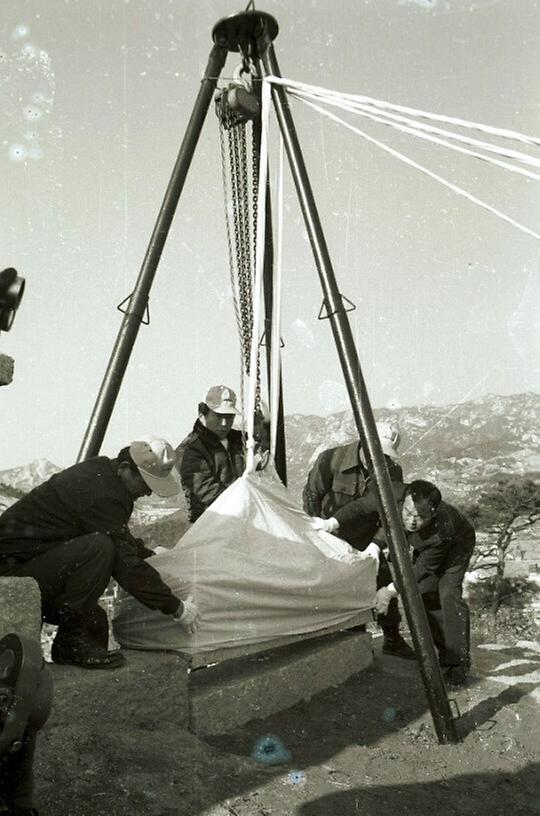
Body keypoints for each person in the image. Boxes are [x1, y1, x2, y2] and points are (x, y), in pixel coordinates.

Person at [0, 436, 201, 670]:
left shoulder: (104, 475)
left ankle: (72, 654)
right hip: (11, 571)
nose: (147, 493)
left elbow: (118, 535)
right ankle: (69, 645)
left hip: (32, 564)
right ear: (125, 469)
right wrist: (176, 608)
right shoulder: (101, 492)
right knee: (99, 548)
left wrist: (149, 554)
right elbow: (123, 561)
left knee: (94, 621)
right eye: (145, 485)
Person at [303, 422, 415, 660]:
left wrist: (377, 544)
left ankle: (392, 638)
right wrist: (318, 532)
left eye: (386, 454)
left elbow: (392, 514)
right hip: (330, 535)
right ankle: (351, 641)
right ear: (363, 442)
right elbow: (312, 496)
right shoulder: (332, 459)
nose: (379, 459)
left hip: (366, 538)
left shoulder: (392, 471)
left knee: (382, 580)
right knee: (333, 589)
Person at [374, 480, 476, 687]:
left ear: (433, 514)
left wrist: (390, 590)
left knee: (449, 595)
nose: (412, 521)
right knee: (423, 594)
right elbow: (390, 523)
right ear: (405, 501)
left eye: (420, 518)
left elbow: (422, 569)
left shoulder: (441, 533)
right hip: (426, 545)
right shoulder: (397, 497)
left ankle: (458, 663)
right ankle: (444, 654)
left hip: (457, 546)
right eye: (408, 513)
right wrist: (375, 546)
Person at [176, 385, 246, 523]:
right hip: (211, 522)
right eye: (218, 417)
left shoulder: (240, 440)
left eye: (229, 417)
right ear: (202, 415)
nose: (225, 423)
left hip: (240, 515)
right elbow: (208, 492)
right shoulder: (189, 449)